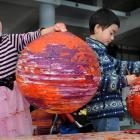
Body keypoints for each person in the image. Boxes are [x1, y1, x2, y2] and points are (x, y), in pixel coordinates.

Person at [0, 21, 67, 137]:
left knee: (20, 128)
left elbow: (31, 37)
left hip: (14, 96)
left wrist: (53, 29)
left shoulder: (10, 40)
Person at [84, 8, 140, 132]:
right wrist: (124, 80)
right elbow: (94, 82)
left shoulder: (102, 53)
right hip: (104, 113)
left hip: (106, 113)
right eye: (111, 32)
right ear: (98, 28)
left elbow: (122, 65)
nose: (113, 38)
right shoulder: (88, 53)